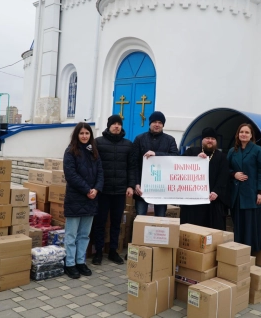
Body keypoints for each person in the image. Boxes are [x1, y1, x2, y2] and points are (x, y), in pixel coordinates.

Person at [92, 115, 136, 265]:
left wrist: (130, 185)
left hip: (119, 191)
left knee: (116, 223)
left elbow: (131, 167)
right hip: (103, 190)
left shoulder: (128, 145)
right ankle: (98, 252)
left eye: (119, 124)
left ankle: (113, 251)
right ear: (109, 126)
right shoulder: (98, 143)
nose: (116, 126)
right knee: (100, 222)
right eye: (114, 124)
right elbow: (93, 166)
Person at [63, 122, 104, 279]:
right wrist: (87, 190)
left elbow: (100, 172)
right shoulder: (70, 152)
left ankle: (80, 262)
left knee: (84, 234)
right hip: (76, 198)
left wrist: (96, 189)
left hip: (91, 199)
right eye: (82, 133)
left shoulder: (94, 152)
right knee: (71, 235)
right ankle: (70, 264)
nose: (84, 136)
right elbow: (71, 175)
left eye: (87, 133)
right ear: (76, 135)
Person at [227, 123, 261, 253]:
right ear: (237, 135)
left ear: (251, 136)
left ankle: (251, 253)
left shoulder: (257, 150)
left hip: (251, 194)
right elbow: (225, 169)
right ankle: (238, 252)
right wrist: (234, 174)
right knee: (238, 224)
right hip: (236, 195)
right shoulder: (232, 151)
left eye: (246, 132)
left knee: (250, 225)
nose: (243, 134)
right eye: (241, 132)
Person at [180, 127, 229, 230]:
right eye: (207, 138)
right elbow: (180, 166)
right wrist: (195, 159)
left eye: (212, 138)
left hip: (213, 200)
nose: (210, 140)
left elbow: (223, 176)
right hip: (194, 201)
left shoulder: (222, 157)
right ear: (202, 140)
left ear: (216, 141)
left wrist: (216, 192)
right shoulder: (192, 151)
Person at [133, 111, 179, 216]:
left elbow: (175, 157)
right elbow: (134, 163)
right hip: (142, 187)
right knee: (140, 216)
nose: (157, 124)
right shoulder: (140, 139)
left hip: (162, 187)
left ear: (163, 125)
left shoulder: (170, 140)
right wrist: (135, 184)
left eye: (160, 122)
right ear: (149, 123)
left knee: (161, 217)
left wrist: (156, 154)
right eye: (154, 122)